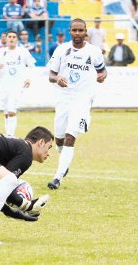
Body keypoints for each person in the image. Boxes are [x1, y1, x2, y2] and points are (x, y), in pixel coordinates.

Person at [46, 18, 107, 190]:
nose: (78, 33)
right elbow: (51, 74)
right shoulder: (61, 50)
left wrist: (103, 76)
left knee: (70, 137)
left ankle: (57, 177)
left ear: (86, 32)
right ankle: (64, 164)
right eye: (75, 30)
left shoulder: (94, 52)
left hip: (82, 99)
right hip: (64, 98)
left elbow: (102, 70)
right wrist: (57, 78)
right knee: (58, 140)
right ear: (70, 31)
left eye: (81, 31)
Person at [0, 30, 36, 138]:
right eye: (9, 36)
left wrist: (29, 78)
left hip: (17, 86)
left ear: (17, 39)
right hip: (3, 86)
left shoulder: (23, 52)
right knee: (6, 112)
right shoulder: (1, 52)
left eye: (14, 37)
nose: (11, 38)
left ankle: (10, 136)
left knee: (11, 111)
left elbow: (32, 66)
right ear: (6, 39)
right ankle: (8, 134)